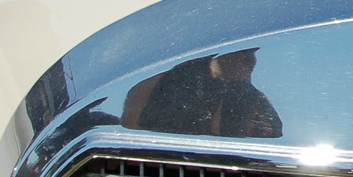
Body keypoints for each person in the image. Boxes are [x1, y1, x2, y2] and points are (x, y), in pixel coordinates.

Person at [121, 47, 282, 138]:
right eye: (245, 55)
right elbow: (131, 129)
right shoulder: (158, 85)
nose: (246, 60)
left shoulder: (252, 101)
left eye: (248, 56)